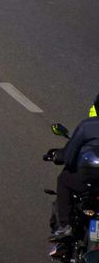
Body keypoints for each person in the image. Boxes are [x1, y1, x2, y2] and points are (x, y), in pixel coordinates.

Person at [50, 93, 99, 243]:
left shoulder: (88, 126)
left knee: (64, 179)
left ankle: (65, 226)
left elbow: (69, 156)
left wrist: (58, 156)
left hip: (86, 183)